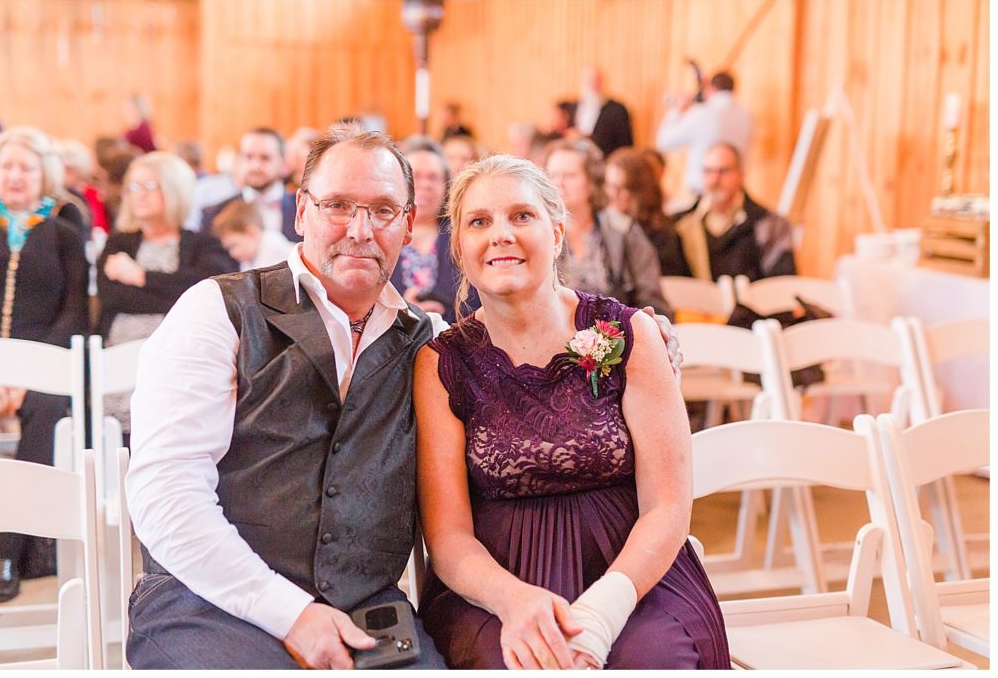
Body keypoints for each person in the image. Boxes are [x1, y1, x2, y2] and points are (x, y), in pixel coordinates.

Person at [124, 124, 684, 670]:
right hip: (212, 604)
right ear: (300, 212)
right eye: (338, 205)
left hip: (366, 612)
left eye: (384, 210)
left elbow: (528, 354)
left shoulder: (432, 346)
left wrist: (643, 337)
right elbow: (166, 497)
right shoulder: (218, 312)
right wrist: (290, 614)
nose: (361, 230)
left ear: (409, 223)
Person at [414, 154, 730, 669]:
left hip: (634, 579)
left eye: (522, 216)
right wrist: (514, 603)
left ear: (557, 233)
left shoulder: (630, 334)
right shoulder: (441, 364)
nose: (501, 235)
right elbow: (447, 538)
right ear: (460, 248)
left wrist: (603, 613)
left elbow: (668, 505)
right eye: (479, 222)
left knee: (648, 659)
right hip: (495, 589)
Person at [0, 126, 90, 602]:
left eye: (25, 167)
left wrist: (32, 374)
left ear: (43, 174)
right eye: (7, 166)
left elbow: (74, 312)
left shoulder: (65, 231)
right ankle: (27, 547)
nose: (15, 176)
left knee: (49, 409)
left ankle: (7, 550)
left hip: (42, 363)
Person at [96, 152, 236, 439]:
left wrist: (141, 276)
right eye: (133, 188)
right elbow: (113, 298)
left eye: (150, 186)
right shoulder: (119, 242)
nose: (139, 196)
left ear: (174, 190)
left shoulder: (202, 244)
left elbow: (205, 293)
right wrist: (172, 292)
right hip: (117, 361)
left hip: (181, 362)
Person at [544, 138, 672, 318]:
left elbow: (651, 299)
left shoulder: (622, 229)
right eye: (552, 175)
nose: (559, 183)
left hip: (616, 337)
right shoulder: (538, 232)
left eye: (569, 176)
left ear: (592, 181)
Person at [670, 142, 795, 282]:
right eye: (708, 171)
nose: (714, 179)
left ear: (740, 175)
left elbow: (781, 285)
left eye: (723, 171)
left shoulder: (769, 225)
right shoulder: (681, 224)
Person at [389, 136, 479, 323]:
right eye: (416, 176)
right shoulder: (379, 235)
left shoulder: (465, 236)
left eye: (433, 177)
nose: (425, 185)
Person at [656, 71, 754, 196]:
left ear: (710, 88)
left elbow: (664, 142)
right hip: (736, 189)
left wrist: (676, 110)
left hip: (705, 190)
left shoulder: (700, 113)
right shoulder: (746, 116)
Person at [200, 128, 301, 242]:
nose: (255, 166)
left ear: (283, 164)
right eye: (248, 157)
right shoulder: (215, 215)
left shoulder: (303, 209)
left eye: (265, 158)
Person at [605, 148, 689, 277]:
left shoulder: (660, 235)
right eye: (610, 186)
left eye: (622, 188)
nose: (613, 194)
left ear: (639, 192)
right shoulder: (602, 227)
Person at [212, 198, 295, 270]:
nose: (232, 253)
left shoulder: (272, 245)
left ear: (251, 233)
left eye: (234, 245)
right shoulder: (249, 260)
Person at [574, 66, 633, 157]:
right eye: (589, 81)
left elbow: (625, 144)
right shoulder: (571, 107)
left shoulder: (617, 110)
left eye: (596, 81)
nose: (593, 85)